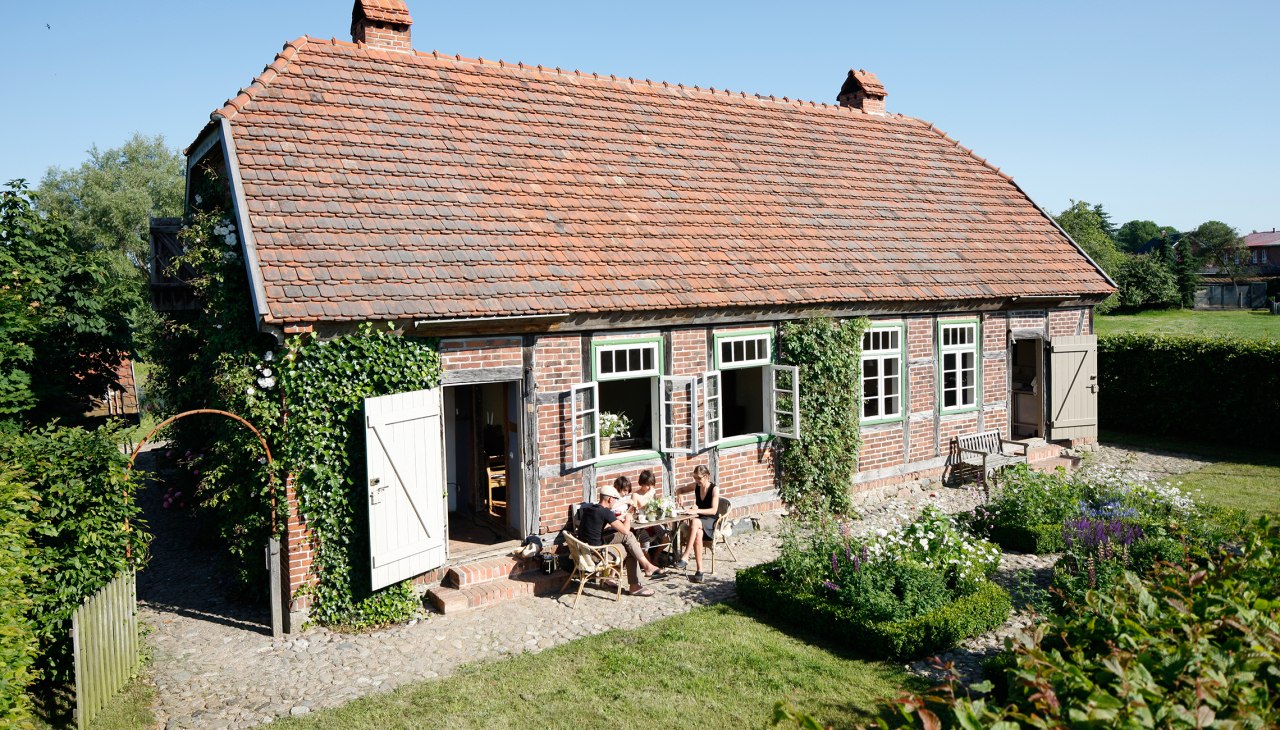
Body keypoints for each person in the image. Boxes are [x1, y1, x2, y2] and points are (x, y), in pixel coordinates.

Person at [576, 484, 665, 596]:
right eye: (615, 500)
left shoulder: (591, 509)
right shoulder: (606, 512)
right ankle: (637, 582)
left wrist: (616, 519)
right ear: (610, 499)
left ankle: (645, 567)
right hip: (596, 555)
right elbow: (626, 531)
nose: (615, 502)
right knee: (630, 546)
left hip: (585, 551)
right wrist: (628, 517)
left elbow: (597, 526)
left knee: (630, 542)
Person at [673, 464, 718, 583]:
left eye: (699, 478)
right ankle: (700, 571)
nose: (696, 480)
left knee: (695, 521)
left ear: (706, 476)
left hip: (711, 521)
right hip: (699, 522)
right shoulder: (696, 486)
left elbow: (713, 510)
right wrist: (679, 495)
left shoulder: (714, 489)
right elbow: (679, 490)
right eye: (695, 478)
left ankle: (686, 555)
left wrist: (696, 510)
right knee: (697, 533)